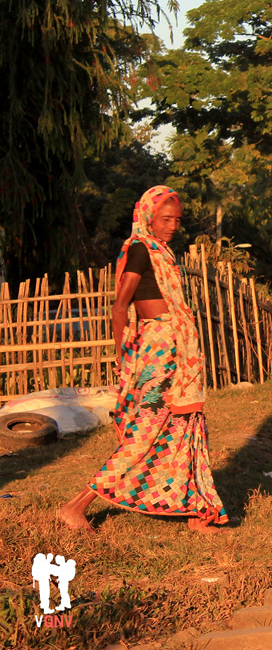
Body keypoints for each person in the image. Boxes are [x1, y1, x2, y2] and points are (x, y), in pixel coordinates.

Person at [59, 186, 228, 533]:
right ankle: (76, 505)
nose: (172, 226)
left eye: (177, 220)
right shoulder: (140, 250)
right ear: (149, 215)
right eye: (166, 219)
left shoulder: (164, 254)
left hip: (178, 350)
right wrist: (124, 357)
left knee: (186, 427)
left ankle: (195, 511)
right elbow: (120, 306)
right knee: (146, 431)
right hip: (157, 348)